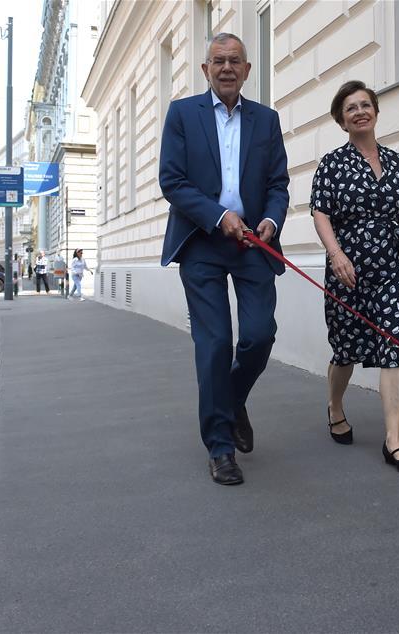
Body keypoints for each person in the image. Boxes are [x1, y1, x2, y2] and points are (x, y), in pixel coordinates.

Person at [159, 32, 289, 485]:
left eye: (235, 60)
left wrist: (271, 221)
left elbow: (278, 184)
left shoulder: (267, 120)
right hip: (201, 241)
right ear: (206, 69)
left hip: (254, 242)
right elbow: (172, 181)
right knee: (213, 344)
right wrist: (218, 217)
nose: (227, 68)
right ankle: (220, 447)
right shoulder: (182, 115)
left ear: (248, 70)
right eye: (219, 61)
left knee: (259, 334)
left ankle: (231, 400)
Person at [310, 80, 399, 475]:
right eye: (350, 109)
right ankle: (335, 406)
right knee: (346, 349)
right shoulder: (332, 164)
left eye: (365, 105)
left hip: (393, 267)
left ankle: (394, 440)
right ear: (342, 121)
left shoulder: (397, 163)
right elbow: (320, 213)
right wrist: (336, 254)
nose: (359, 111)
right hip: (349, 270)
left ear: (375, 111)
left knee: (393, 345)